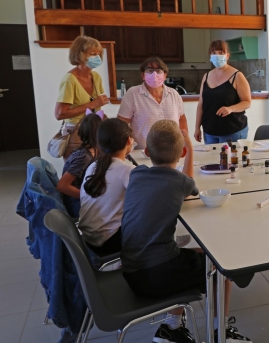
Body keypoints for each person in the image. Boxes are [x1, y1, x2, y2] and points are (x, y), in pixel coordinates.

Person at [120, 120, 251, 343]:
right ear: (181, 152)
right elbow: (191, 187)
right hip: (158, 275)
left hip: (132, 273)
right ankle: (222, 332)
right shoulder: (179, 181)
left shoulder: (136, 174)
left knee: (196, 253)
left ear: (148, 151)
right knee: (220, 263)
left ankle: (171, 328)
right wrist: (190, 148)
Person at [79, 118, 135, 256]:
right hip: (107, 242)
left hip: (88, 238)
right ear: (129, 140)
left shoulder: (93, 165)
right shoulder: (127, 170)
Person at [55, 36, 109, 159]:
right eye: (93, 53)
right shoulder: (70, 80)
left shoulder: (95, 77)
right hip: (76, 132)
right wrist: (91, 105)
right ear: (79, 55)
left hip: (94, 131)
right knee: (77, 172)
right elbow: (59, 114)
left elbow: (96, 106)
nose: (97, 57)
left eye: (99, 53)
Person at [118, 57, 188, 149]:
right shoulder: (133, 94)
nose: (154, 74)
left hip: (173, 150)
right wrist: (127, 146)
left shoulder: (174, 94)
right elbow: (121, 124)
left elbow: (181, 119)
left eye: (158, 71)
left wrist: (184, 142)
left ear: (165, 75)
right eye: (150, 71)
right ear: (143, 75)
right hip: (144, 151)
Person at [194, 40, 252, 143]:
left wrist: (231, 109)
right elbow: (201, 104)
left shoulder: (237, 76)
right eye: (214, 53)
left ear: (227, 55)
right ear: (210, 56)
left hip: (232, 130)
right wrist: (197, 128)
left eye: (221, 53)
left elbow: (247, 102)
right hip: (209, 131)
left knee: (231, 159)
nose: (217, 56)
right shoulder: (206, 76)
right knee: (213, 159)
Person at [57, 111, 103, 217]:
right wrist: (87, 197)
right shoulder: (83, 157)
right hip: (76, 205)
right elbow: (62, 186)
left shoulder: (93, 151)